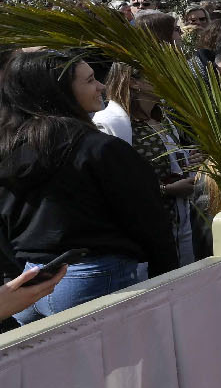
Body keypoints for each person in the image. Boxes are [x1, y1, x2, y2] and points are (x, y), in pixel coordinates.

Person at [0, 50, 178, 324]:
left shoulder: (9, 149)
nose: (102, 86)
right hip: (91, 279)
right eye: (90, 80)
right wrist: (167, 279)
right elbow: (149, 219)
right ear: (61, 91)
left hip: (29, 283)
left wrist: (18, 275)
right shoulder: (101, 150)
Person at [102, 63, 200, 265]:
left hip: (178, 223)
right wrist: (165, 189)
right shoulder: (112, 123)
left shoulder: (162, 118)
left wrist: (187, 161)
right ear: (134, 82)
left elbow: (168, 162)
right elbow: (113, 182)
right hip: (147, 230)